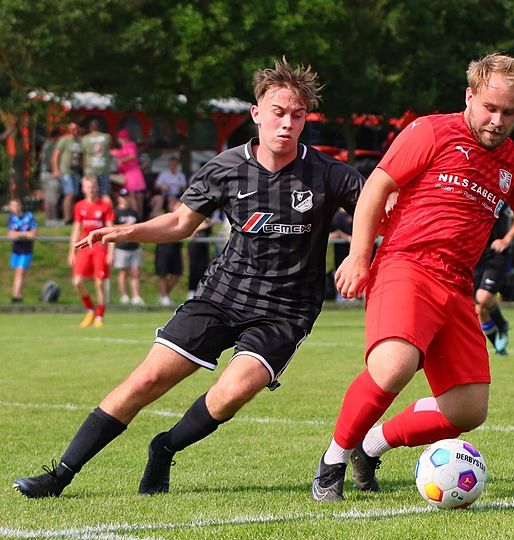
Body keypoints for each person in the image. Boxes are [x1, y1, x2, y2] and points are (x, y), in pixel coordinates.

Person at [13, 58, 365, 499]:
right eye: (278, 112)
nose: (287, 123)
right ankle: (59, 476)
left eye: (297, 115)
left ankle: (165, 447)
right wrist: (127, 231)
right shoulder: (226, 167)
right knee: (146, 381)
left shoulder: (330, 173)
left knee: (231, 393)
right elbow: (181, 223)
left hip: (286, 310)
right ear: (256, 113)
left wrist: (361, 254)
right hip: (222, 295)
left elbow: (377, 207)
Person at [311, 52, 514, 502]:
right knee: (394, 365)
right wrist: (359, 255)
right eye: (490, 108)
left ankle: (371, 446)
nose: (497, 120)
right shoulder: (431, 131)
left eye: (510, 112)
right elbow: (376, 186)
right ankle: (332, 462)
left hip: (457, 285)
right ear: (469, 96)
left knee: (468, 409)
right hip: (405, 265)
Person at [69, 176, 115, 327]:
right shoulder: (79, 206)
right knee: (77, 281)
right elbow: (76, 229)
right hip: (84, 247)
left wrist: (111, 252)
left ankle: (99, 317)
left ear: (97, 188)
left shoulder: (105, 206)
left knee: (99, 283)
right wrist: (72, 251)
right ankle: (90, 309)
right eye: (88, 187)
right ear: (83, 188)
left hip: (100, 248)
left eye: (93, 186)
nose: (91, 190)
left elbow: (110, 229)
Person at [475, 209, 514, 355]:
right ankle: (499, 348)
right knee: (479, 309)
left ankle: (502, 325)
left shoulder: (502, 198)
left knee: (483, 297)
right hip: (475, 256)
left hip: (496, 255)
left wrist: (506, 240)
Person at [112, 192, 144, 305]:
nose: (125, 199)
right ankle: (124, 296)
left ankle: (136, 295)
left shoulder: (133, 212)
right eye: (123, 197)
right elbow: (111, 227)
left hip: (134, 246)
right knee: (123, 272)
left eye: (126, 197)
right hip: (122, 247)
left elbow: (140, 227)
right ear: (119, 198)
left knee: (135, 272)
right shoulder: (116, 212)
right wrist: (125, 226)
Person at [52, 122, 84, 224]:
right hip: (65, 170)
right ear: (69, 130)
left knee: (74, 195)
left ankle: (72, 217)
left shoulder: (80, 141)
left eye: (76, 129)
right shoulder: (64, 140)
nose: (74, 131)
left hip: (76, 171)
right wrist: (56, 169)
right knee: (69, 194)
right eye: (72, 129)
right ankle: (67, 219)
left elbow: (82, 156)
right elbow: (56, 155)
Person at [111, 129, 148, 218]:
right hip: (131, 174)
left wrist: (121, 160)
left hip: (132, 174)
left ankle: (136, 217)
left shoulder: (130, 145)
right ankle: (139, 217)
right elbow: (117, 153)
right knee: (137, 196)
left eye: (123, 138)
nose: (122, 140)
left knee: (132, 196)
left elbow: (132, 156)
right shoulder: (123, 148)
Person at [7, 198, 38, 303]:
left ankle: (16, 296)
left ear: (20, 205)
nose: (14, 208)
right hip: (16, 249)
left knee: (21, 271)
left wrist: (19, 234)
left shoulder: (29, 216)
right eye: (12, 206)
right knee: (17, 272)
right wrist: (25, 234)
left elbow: (33, 234)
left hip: (26, 249)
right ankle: (17, 295)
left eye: (16, 205)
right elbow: (11, 235)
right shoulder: (12, 218)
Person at [81, 120, 113, 199]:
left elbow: (83, 155)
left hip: (90, 170)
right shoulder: (107, 137)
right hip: (104, 169)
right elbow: (110, 152)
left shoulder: (85, 139)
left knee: (90, 193)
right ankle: (106, 207)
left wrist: (83, 169)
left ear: (90, 128)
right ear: (99, 127)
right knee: (105, 193)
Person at [40, 128, 63, 225]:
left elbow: (41, 157)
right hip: (50, 173)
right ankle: (53, 219)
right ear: (57, 136)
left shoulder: (46, 144)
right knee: (53, 198)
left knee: (47, 197)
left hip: (43, 173)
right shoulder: (54, 145)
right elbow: (52, 158)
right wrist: (55, 170)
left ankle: (48, 219)